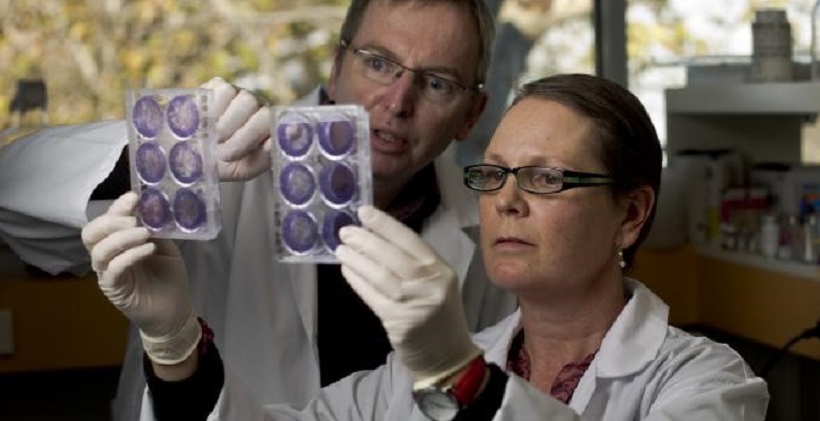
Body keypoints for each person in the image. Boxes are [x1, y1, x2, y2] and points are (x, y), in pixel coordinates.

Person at [83, 73, 769, 420]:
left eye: (546, 178)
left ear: (632, 214)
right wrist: (175, 345)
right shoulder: (403, 382)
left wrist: (463, 379)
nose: (506, 198)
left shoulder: (707, 384)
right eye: (493, 172)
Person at [0, 0, 518, 421]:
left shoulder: (493, 232)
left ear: (470, 115)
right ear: (337, 68)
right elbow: (13, 197)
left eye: (436, 83)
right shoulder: (229, 166)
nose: (398, 101)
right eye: (378, 63)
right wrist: (176, 153)